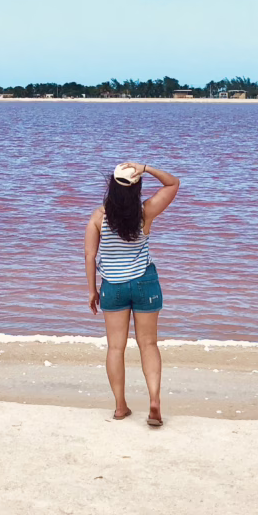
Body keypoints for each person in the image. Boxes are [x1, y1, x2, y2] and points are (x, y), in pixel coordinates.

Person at [84, 162, 180, 427]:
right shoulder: (145, 213)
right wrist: (146, 168)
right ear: (136, 188)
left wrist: (93, 290)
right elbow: (173, 183)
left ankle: (120, 407)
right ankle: (154, 402)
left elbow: (90, 255)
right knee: (148, 345)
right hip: (144, 282)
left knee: (116, 347)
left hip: (112, 287)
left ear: (111, 187)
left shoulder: (98, 217)